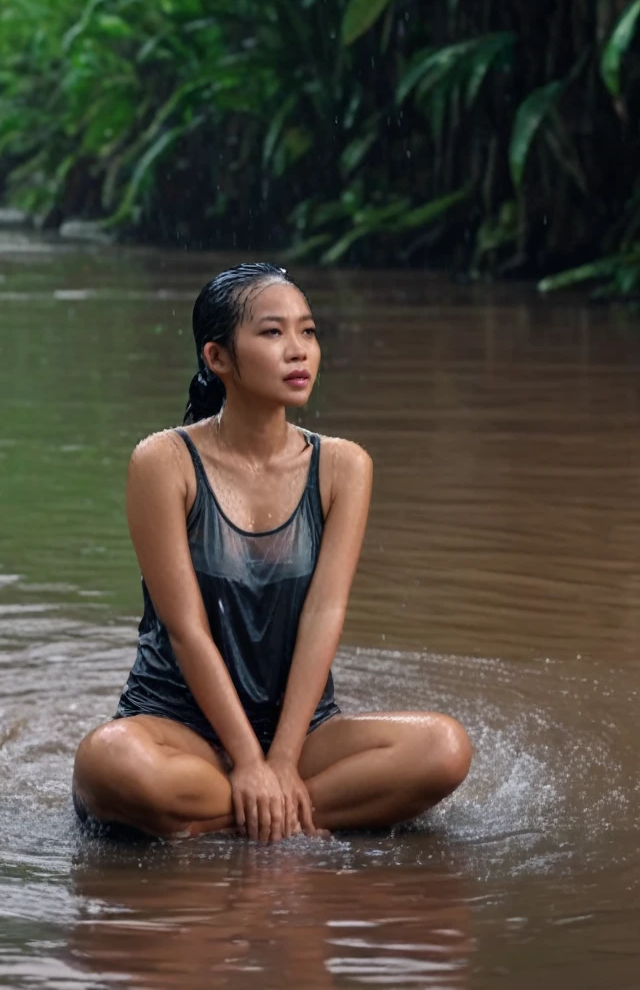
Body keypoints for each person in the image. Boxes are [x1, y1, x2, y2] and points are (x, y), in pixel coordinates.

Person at [73, 263, 472, 842]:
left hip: (302, 735)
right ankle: (292, 811)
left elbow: (323, 614)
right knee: (108, 762)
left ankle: (226, 817)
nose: (299, 351)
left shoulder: (343, 466)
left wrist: (280, 761)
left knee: (444, 747)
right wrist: (247, 762)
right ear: (217, 358)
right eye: (272, 333)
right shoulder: (164, 462)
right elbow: (186, 631)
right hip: (180, 727)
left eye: (308, 332)